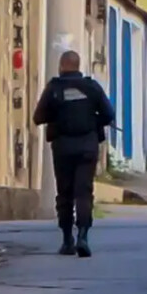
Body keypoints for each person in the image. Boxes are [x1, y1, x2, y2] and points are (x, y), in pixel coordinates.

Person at [32, 50, 114, 257]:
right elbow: (109, 114)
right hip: (87, 146)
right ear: (78, 66)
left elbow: (38, 117)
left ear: (61, 66)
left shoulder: (54, 88)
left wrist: (57, 116)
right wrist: (91, 120)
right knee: (84, 192)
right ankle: (83, 237)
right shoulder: (92, 87)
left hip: (63, 148)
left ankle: (67, 240)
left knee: (65, 193)